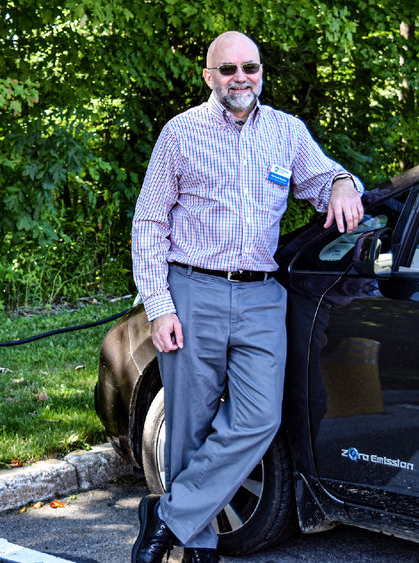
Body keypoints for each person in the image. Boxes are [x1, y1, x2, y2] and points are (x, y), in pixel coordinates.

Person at [130, 31, 364, 563]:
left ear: (261, 72)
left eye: (251, 67)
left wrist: (343, 183)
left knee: (260, 418)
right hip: (193, 289)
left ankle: (167, 516)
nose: (241, 77)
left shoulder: (287, 132)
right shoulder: (179, 134)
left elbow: (324, 176)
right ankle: (199, 546)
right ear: (209, 76)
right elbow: (148, 224)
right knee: (188, 424)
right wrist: (159, 305)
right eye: (229, 68)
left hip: (261, 297)